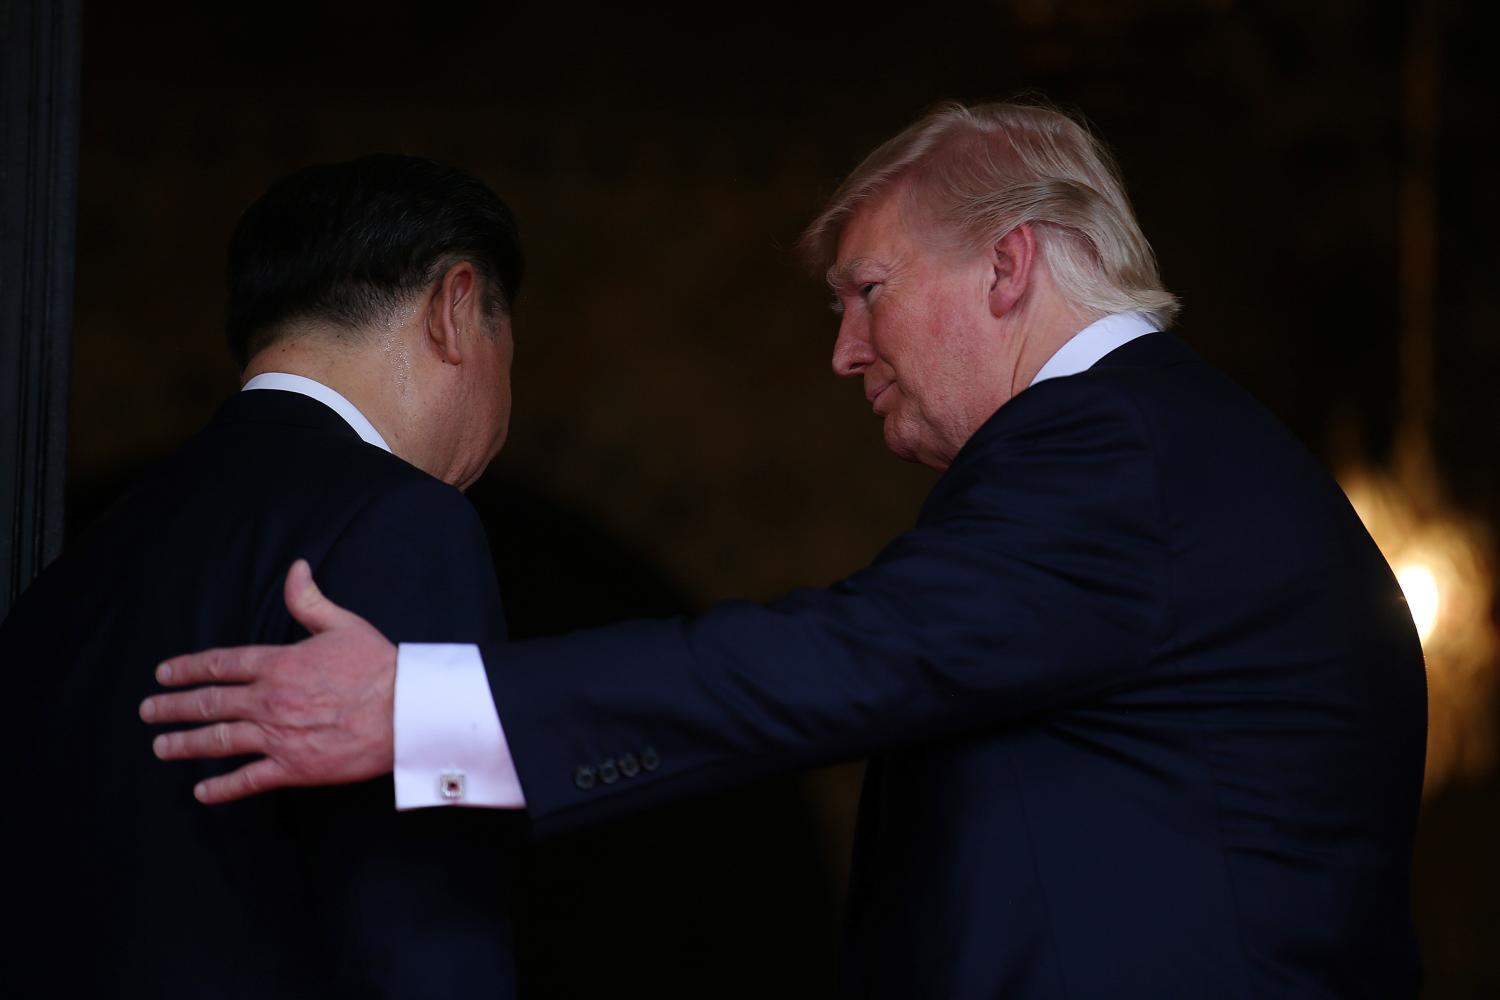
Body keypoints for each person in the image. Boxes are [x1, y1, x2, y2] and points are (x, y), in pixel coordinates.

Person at [144, 102, 1428, 998]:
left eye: (866, 293)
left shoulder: (1118, 452)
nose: (842, 354)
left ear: (1010, 263)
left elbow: (843, 657)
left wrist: (420, 710)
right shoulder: (1145, 452)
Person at [1, 154, 526, 998]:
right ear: (456, 308)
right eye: (512, 346)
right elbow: (430, 910)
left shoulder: (88, 552)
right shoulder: (407, 521)